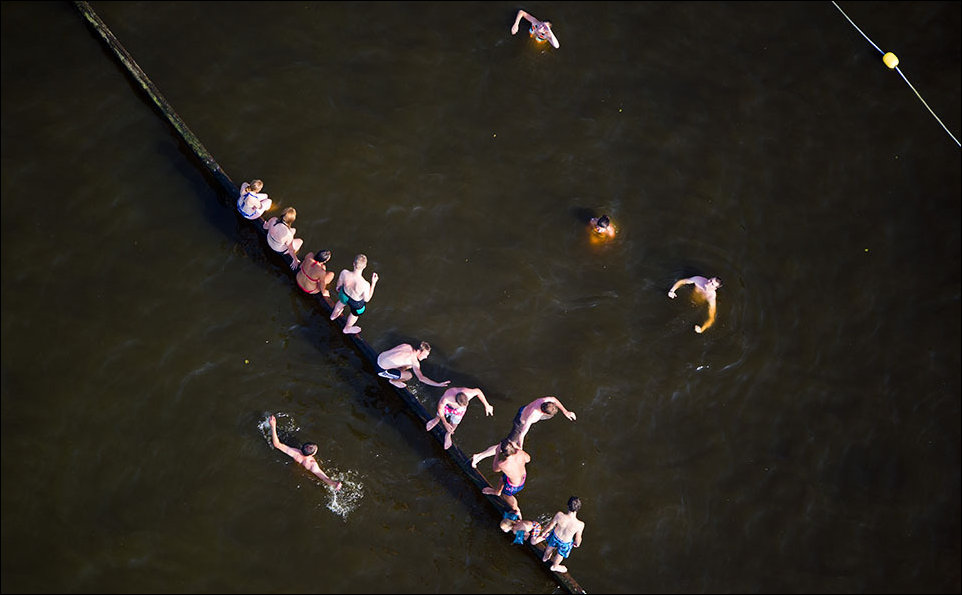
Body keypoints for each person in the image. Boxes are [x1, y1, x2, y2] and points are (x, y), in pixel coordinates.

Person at [471, 396, 577, 467]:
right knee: (507, 445)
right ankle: (479, 456)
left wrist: (565, 411)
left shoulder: (544, 400)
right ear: (543, 412)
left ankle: (480, 456)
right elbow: (522, 434)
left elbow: (554, 399)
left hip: (523, 409)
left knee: (513, 442)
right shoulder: (533, 415)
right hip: (520, 423)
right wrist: (520, 448)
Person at [268, 414, 342, 491]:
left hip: (295, 461)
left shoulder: (295, 452)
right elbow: (324, 477)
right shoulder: (311, 464)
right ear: (312, 454)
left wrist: (273, 426)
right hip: (299, 469)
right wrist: (334, 484)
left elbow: (277, 444)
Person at [425, 386, 494, 450]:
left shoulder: (468, 393)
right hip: (448, 407)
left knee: (454, 424)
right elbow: (440, 408)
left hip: (459, 410)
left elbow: (478, 391)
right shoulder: (447, 398)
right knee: (439, 414)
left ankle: (448, 434)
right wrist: (445, 423)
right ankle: (436, 420)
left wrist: (487, 405)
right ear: (456, 401)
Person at [531, 496, 585, 573]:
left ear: (568, 505)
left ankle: (545, 557)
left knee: (549, 548)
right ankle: (555, 566)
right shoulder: (580, 524)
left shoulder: (559, 515)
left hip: (555, 536)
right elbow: (578, 538)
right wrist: (577, 543)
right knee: (560, 554)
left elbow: (550, 526)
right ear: (578, 508)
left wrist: (544, 532)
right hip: (565, 542)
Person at [329, 254, 379, 334]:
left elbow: (338, 286)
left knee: (340, 303)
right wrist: (373, 283)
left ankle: (333, 316)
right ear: (364, 266)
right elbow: (367, 299)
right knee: (354, 315)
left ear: (353, 263)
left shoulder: (344, 273)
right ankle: (347, 329)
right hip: (356, 303)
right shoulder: (365, 284)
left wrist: (339, 289)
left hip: (344, 295)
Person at [480, 438, 530, 517]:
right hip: (522, 477)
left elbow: (495, 469)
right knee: (502, 479)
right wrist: (517, 448)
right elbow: (528, 459)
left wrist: (497, 453)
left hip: (514, 486)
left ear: (503, 453)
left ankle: (517, 510)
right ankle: (497, 491)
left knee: (506, 495)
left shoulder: (503, 464)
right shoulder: (520, 453)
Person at [376, 341, 449, 389]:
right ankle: (394, 381)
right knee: (409, 375)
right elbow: (421, 378)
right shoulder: (414, 361)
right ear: (419, 351)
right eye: (425, 354)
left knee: (408, 365)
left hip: (379, 357)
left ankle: (395, 372)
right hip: (381, 370)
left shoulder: (407, 346)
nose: (426, 357)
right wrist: (438, 384)